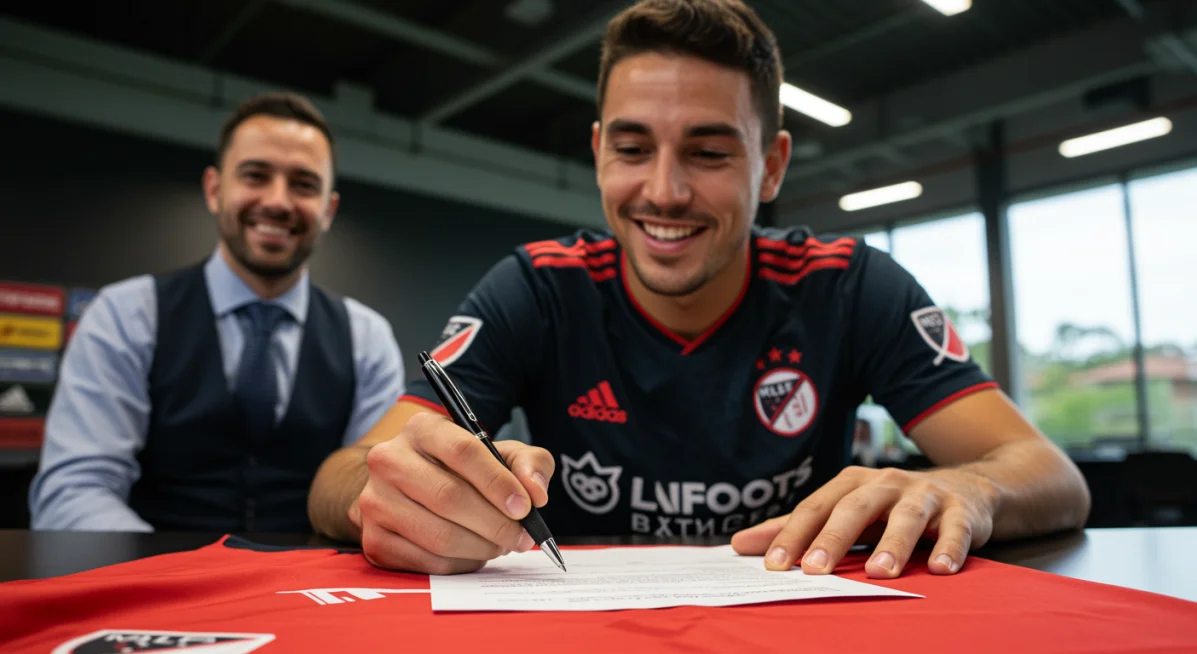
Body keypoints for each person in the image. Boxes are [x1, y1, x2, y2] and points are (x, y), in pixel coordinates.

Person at [308, 0, 1091, 577]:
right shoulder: (537, 287)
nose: (665, 190)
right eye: (633, 147)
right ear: (598, 151)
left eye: (709, 152)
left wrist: (964, 488)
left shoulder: (848, 285)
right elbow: (341, 477)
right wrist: (399, 491)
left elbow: (1046, 471)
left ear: (773, 165)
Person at [29, 92, 406, 533]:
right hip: (156, 582)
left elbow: (376, 491)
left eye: (304, 184)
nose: (278, 201)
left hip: (310, 591)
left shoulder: (367, 338)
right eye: (255, 175)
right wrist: (169, 584)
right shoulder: (125, 315)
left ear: (328, 209)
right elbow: (74, 490)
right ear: (214, 189)